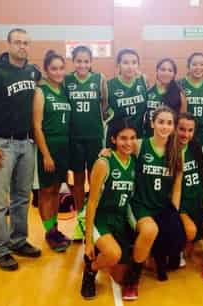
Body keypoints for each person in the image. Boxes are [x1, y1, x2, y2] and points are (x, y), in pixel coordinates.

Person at [0, 28, 41, 271]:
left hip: (26, 144)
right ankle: (0, 249)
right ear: (9, 44)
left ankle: (18, 240)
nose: (22, 46)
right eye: (18, 42)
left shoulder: (32, 72)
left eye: (26, 42)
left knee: (22, 198)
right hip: (2, 145)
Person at [123, 106, 183, 299]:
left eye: (169, 123)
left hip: (162, 206)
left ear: (173, 127)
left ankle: (152, 255)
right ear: (152, 124)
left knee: (178, 237)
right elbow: (119, 151)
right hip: (140, 205)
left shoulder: (176, 151)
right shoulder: (139, 145)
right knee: (150, 231)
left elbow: (177, 186)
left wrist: (174, 212)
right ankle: (133, 277)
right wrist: (106, 152)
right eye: (161, 122)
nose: (165, 126)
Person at [81, 118, 137, 300]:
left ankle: (99, 252)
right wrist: (88, 240)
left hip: (119, 219)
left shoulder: (134, 163)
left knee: (121, 277)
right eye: (123, 138)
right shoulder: (104, 164)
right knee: (113, 254)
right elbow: (91, 203)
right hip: (101, 219)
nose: (128, 143)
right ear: (113, 139)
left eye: (132, 138)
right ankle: (90, 270)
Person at [64, 45, 107, 241]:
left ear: (91, 62)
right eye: (79, 61)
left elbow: (105, 104)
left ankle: (93, 218)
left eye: (86, 61)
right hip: (74, 138)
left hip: (94, 136)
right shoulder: (67, 80)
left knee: (94, 179)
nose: (82, 64)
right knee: (78, 181)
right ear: (73, 62)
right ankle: (80, 219)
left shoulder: (99, 79)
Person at [32, 50, 72, 252]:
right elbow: (37, 126)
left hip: (64, 148)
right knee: (46, 192)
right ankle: (49, 232)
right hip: (49, 147)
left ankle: (55, 229)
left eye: (61, 68)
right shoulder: (41, 91)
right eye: (53, 68)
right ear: (47, 70)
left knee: (57, 190)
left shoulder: (64, 90)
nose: (58, 72)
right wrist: (46, 154)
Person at [176, 112, 203, 266]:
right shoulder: (169, 149)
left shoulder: (197, 147)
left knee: (190, 249)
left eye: (190, 130)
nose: (185, 134)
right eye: (181, 129)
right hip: (180, 202)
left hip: (197, 199)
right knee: (190, 231)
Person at [107, 48, 147, 139]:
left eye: (134, 62)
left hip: (138, 135)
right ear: (118, 65)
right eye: (125, 63)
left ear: (138, 65)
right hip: (118, 137)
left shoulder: (143, 81)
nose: (130, 66)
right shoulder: (109, 85)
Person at [144, 58, 187, 136]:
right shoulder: (148, 92)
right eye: (163, 69)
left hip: (169, 136)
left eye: (170, 70)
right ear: (157, 71)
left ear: (174, 74)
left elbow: (182, 119)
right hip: (149, 134)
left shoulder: (180, 94)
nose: (166, 73)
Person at [180, 52, 203, 145]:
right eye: (194, 64)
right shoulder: (180, 84)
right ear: (188, 66)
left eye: (202, 64)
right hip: (184, 131)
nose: (198, 67)